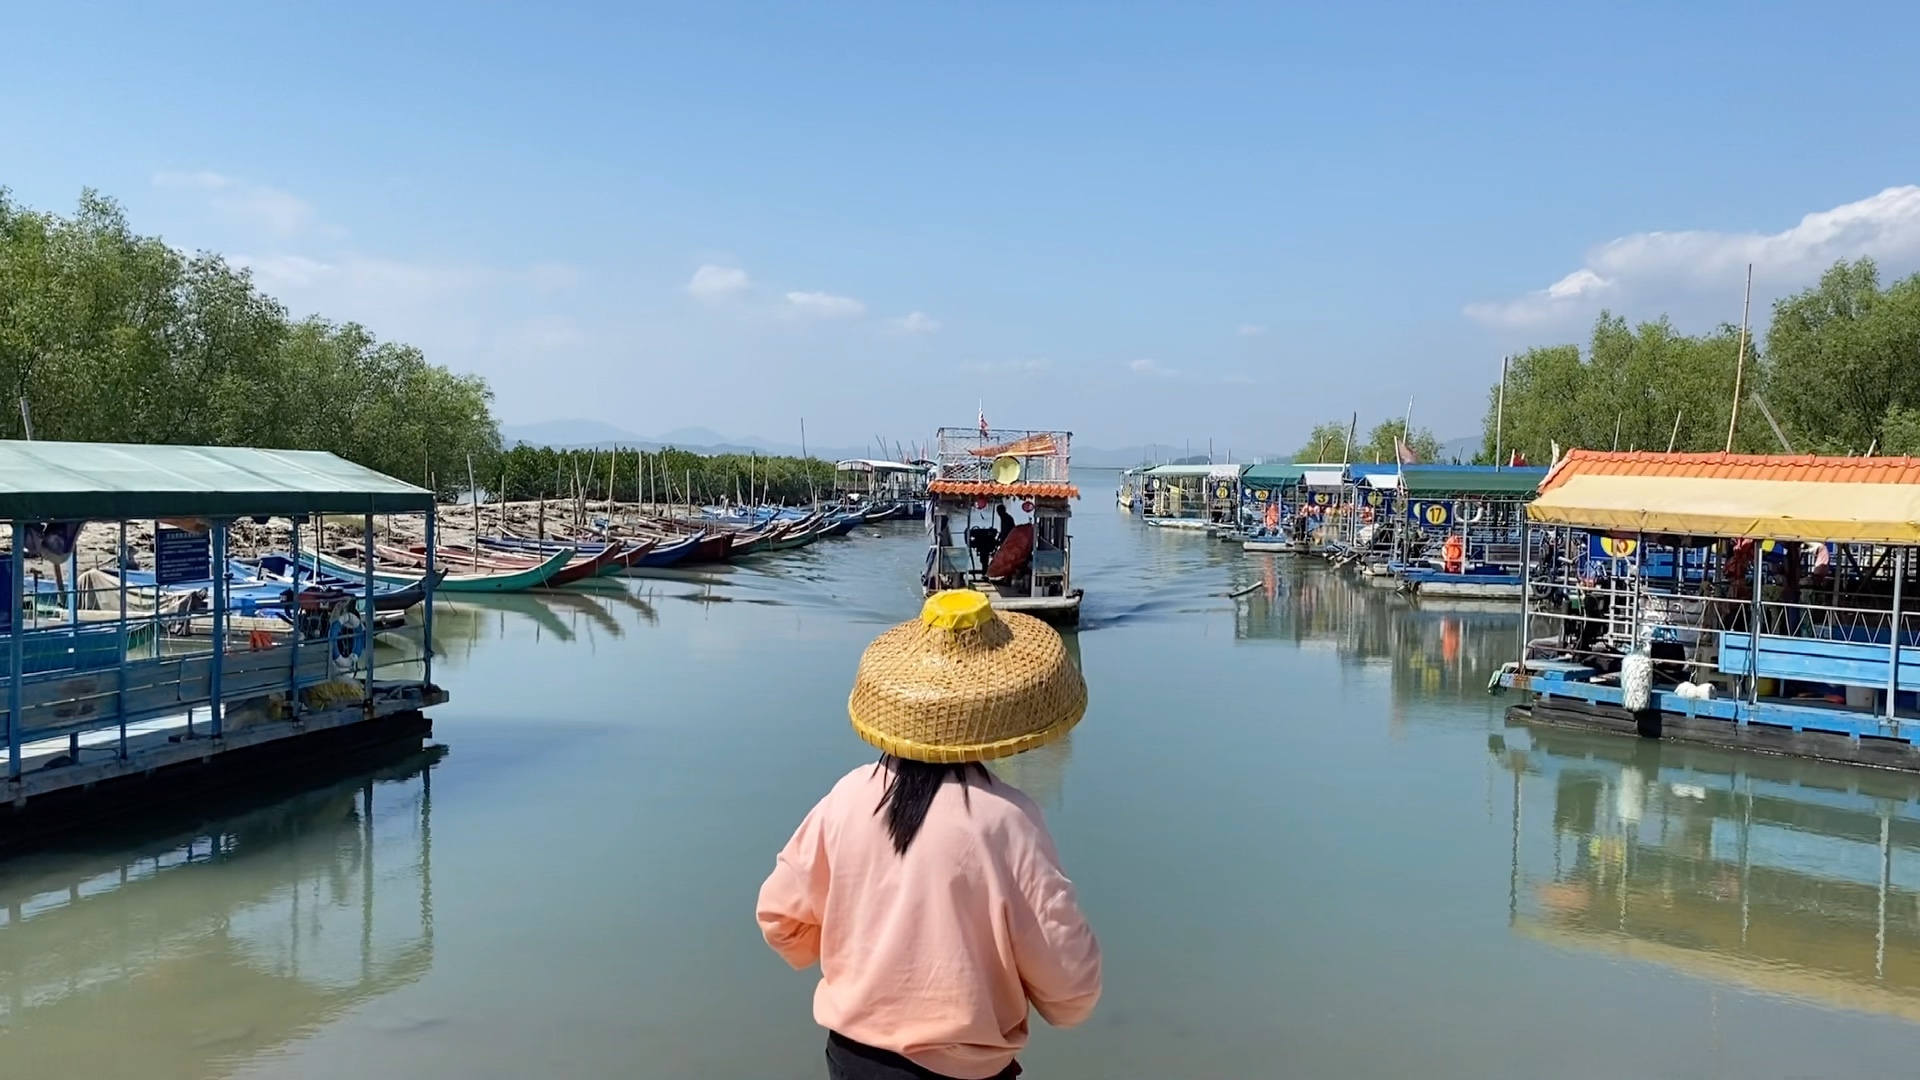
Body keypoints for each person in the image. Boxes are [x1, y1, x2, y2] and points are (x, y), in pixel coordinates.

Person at [757, 591, 1102, 1080]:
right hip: (961, 1072)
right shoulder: (1007, 820)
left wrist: (860, 960)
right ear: (994, 715)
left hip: (852, 1059)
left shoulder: (848, 796)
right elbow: (1071, 987)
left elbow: (779, 919)